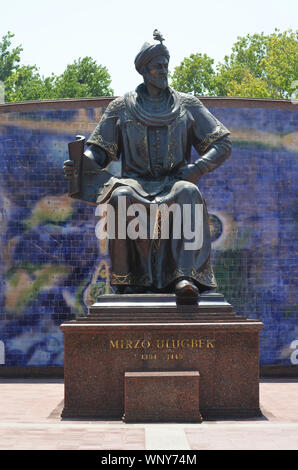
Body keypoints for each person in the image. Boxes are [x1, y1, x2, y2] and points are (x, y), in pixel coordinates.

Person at [64, 31, 232, 303]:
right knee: (120, 197)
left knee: (188, 193)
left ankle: (184, 278)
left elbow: (222, 143)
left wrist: (198, 168)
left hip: (174, 180)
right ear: (144, 70)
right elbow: (99, 151)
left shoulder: (187, 104)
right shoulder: (121, 107)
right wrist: (81, 163)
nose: (164, 70)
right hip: (134, 182)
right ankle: (127, 282)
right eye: (157, 65)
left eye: (166, 64)